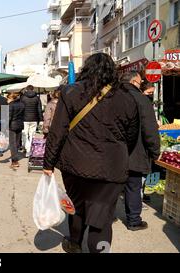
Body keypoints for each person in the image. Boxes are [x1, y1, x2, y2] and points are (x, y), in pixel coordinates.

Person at [43, 53, 140, 253]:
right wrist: (119, 156)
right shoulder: (127, 98)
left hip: (76, 166)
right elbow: (131, 135)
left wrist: (48, 164)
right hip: (112, 169)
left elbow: (57, 131)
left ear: (87, 69)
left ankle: (74, 244)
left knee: (76, 209)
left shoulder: (70, 92)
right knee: (102, 219)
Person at [120, 71, 160, 231]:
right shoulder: (141, 100)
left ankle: (107, 217)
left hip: (112, 153)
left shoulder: (111, 97)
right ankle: (133, 220)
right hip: (135, 152)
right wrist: (155, 151)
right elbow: (150, 129)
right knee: (133, 186)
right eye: (139, 81)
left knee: (113, 187)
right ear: (134, 82)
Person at [20, 85, 43, 157]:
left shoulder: (22, 98)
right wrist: (41, 119)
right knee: (32, 135)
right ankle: (30, 149)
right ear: (33, 89)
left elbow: (21, 109)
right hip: (34, 119)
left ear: (26, 89)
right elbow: (39, 110)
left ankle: (26, 149)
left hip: (24, 119)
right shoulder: (37, 98)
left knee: (25, 134)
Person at [8, 92, 25, 170]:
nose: (7, 100)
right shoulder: (22, 104)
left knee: (12, 144)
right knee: (17, 143)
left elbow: (9, 117)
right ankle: (15, 157)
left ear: (11, 98)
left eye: (8, 98)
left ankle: (15, 161)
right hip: (20, 125)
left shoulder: (11, 105)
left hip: (12, 126)